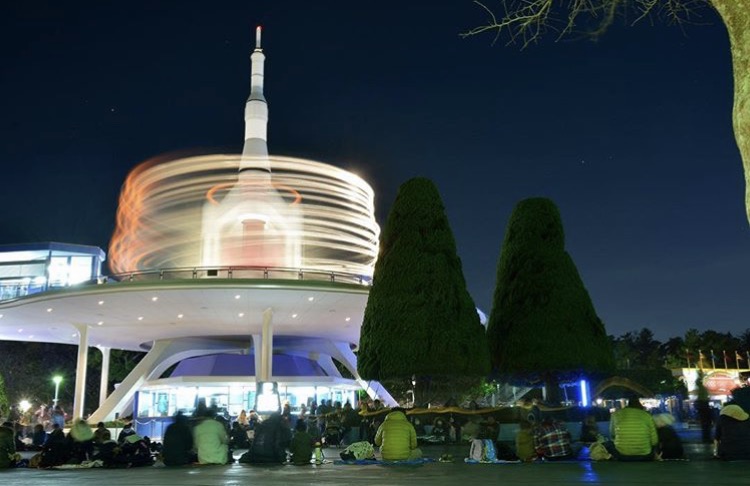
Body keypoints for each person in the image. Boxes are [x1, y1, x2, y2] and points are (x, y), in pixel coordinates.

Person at [608, 395, 657, 461]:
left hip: (622, 455)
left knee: (608, 444)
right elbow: (654, 441)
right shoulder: (647, 415)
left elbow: (612, 434)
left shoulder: (616, 414)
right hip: (645, 456)